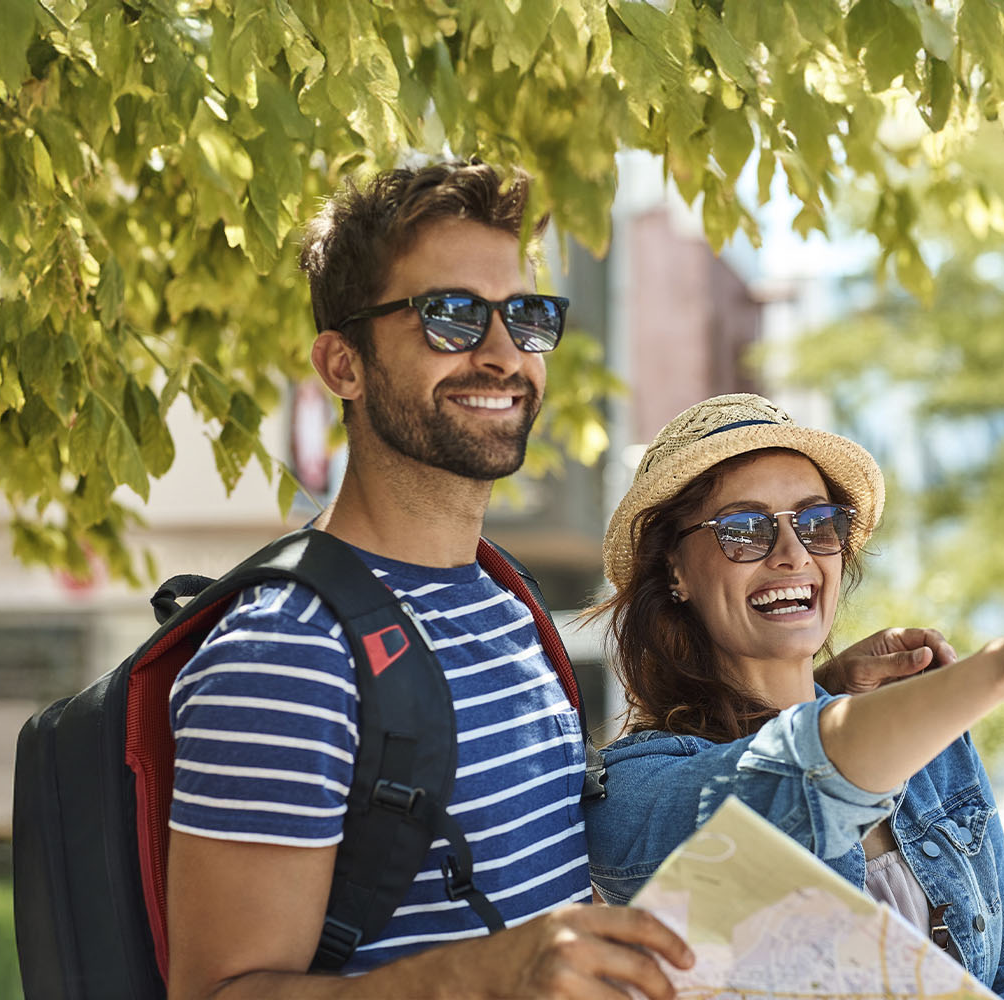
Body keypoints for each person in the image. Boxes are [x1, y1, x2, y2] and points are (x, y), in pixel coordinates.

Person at [160, 162, 950, 999]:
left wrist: (822, 691)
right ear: (342, 364)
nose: (503, 355)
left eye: (526, 317)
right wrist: (488, 975)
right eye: (452, 316)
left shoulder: (503, 607)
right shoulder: (287, 653)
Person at [584, 393, 1004, 999]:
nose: (792, 552)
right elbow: (800, 781)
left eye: (816, 522)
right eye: (743, 530)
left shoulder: (930, 741)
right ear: (674, 571)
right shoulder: (635, 789)